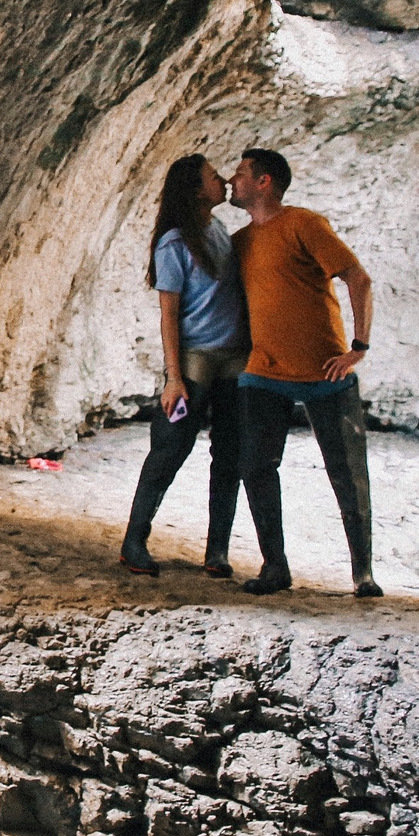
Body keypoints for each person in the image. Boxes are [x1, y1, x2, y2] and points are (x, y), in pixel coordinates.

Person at [227, 147, 381, 598]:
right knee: (256, 467)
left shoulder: (303, 223)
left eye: (240, 173)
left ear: (264, 181)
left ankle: (363, 574)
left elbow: (358, 278)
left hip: (325, 370)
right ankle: (275, 568)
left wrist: (358, 348)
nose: (233, 180)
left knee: (348, 472)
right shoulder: (240, 242)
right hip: (263, 371)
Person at [121, 155, 249, 577]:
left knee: (229, 454)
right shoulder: (174, 243)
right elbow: (169, 314)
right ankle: (134, 542)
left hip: (234, 357)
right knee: (170, 448)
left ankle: (217, 551)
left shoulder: (218, 230)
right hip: (196, 361)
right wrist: (174, 377)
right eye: (213, 177)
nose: (223, 180)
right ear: (196, 191)